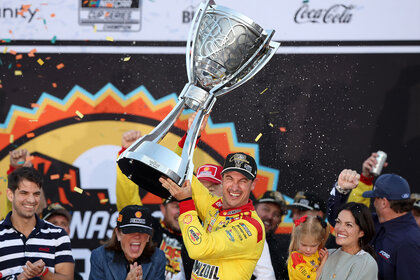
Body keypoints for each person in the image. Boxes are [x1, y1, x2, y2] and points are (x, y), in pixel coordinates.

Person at [159, 152, 265, 280]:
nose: (235, 187)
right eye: (229, 178)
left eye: (243, 181)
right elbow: (178, 168)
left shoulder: (251, 227)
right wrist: (190, 136)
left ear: (253, 184)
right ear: (222, 179)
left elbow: (198, 249)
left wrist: (185, 203)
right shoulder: (214, 205)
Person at [328, 169, 420, 280]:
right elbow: (336, 219)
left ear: (384, 202)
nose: (374, 202)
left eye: (375, 198)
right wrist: (340, 190)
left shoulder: (409, 241)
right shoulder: (376, 221)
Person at [0, 167, 74, 279]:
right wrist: (20, 278)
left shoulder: (58, 235)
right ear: (10, 195)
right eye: (24, 193)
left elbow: (67, 278)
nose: (31, 200)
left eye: (36, 194)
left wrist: (44, 273)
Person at [89, 205, 165, 280]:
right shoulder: (100, 257)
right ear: (118, 233)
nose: (137, 236)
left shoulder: (158, 257)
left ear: (148, 236)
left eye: (142, 232)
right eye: (131, 231)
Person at [319, 202, 378, 279]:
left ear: (361, 232)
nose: (340, 229)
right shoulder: (326, 254)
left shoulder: (366, 263)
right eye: (338, 222)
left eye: (348, 225)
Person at [253, 190, 289, 280]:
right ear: (254, 208)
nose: (270, 216)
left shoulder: (281, 253)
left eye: (276, 214)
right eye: (266, 209)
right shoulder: (234, 234)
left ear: (280, 221)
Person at [42, 203, 83, 280]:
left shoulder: (76, 277)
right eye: (54, 223)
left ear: (69, 231)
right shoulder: (30, 260)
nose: (59, 228)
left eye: (63, 224)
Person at [287, 215, 329, 280]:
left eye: (313, 245)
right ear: (297, 239)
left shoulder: (317, 253)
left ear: (320, 242)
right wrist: (323, 263)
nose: (308, 249)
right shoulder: (296, 258)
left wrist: (321, 260)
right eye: (304, 245)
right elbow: (312, 278)